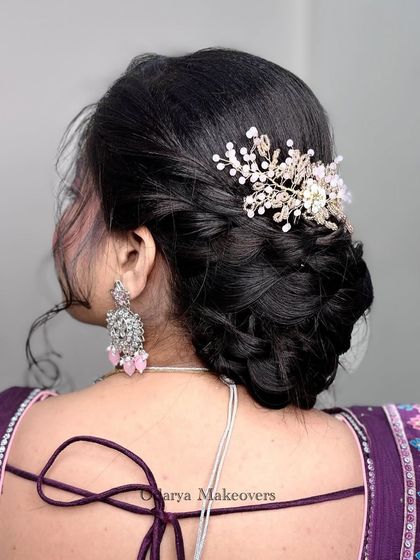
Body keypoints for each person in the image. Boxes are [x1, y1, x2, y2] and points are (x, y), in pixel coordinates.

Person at [0, 47, 418, 560]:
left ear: (133, 255)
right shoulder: (405, 462)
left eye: (74, 198)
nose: (60, 226)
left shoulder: (9, 443)